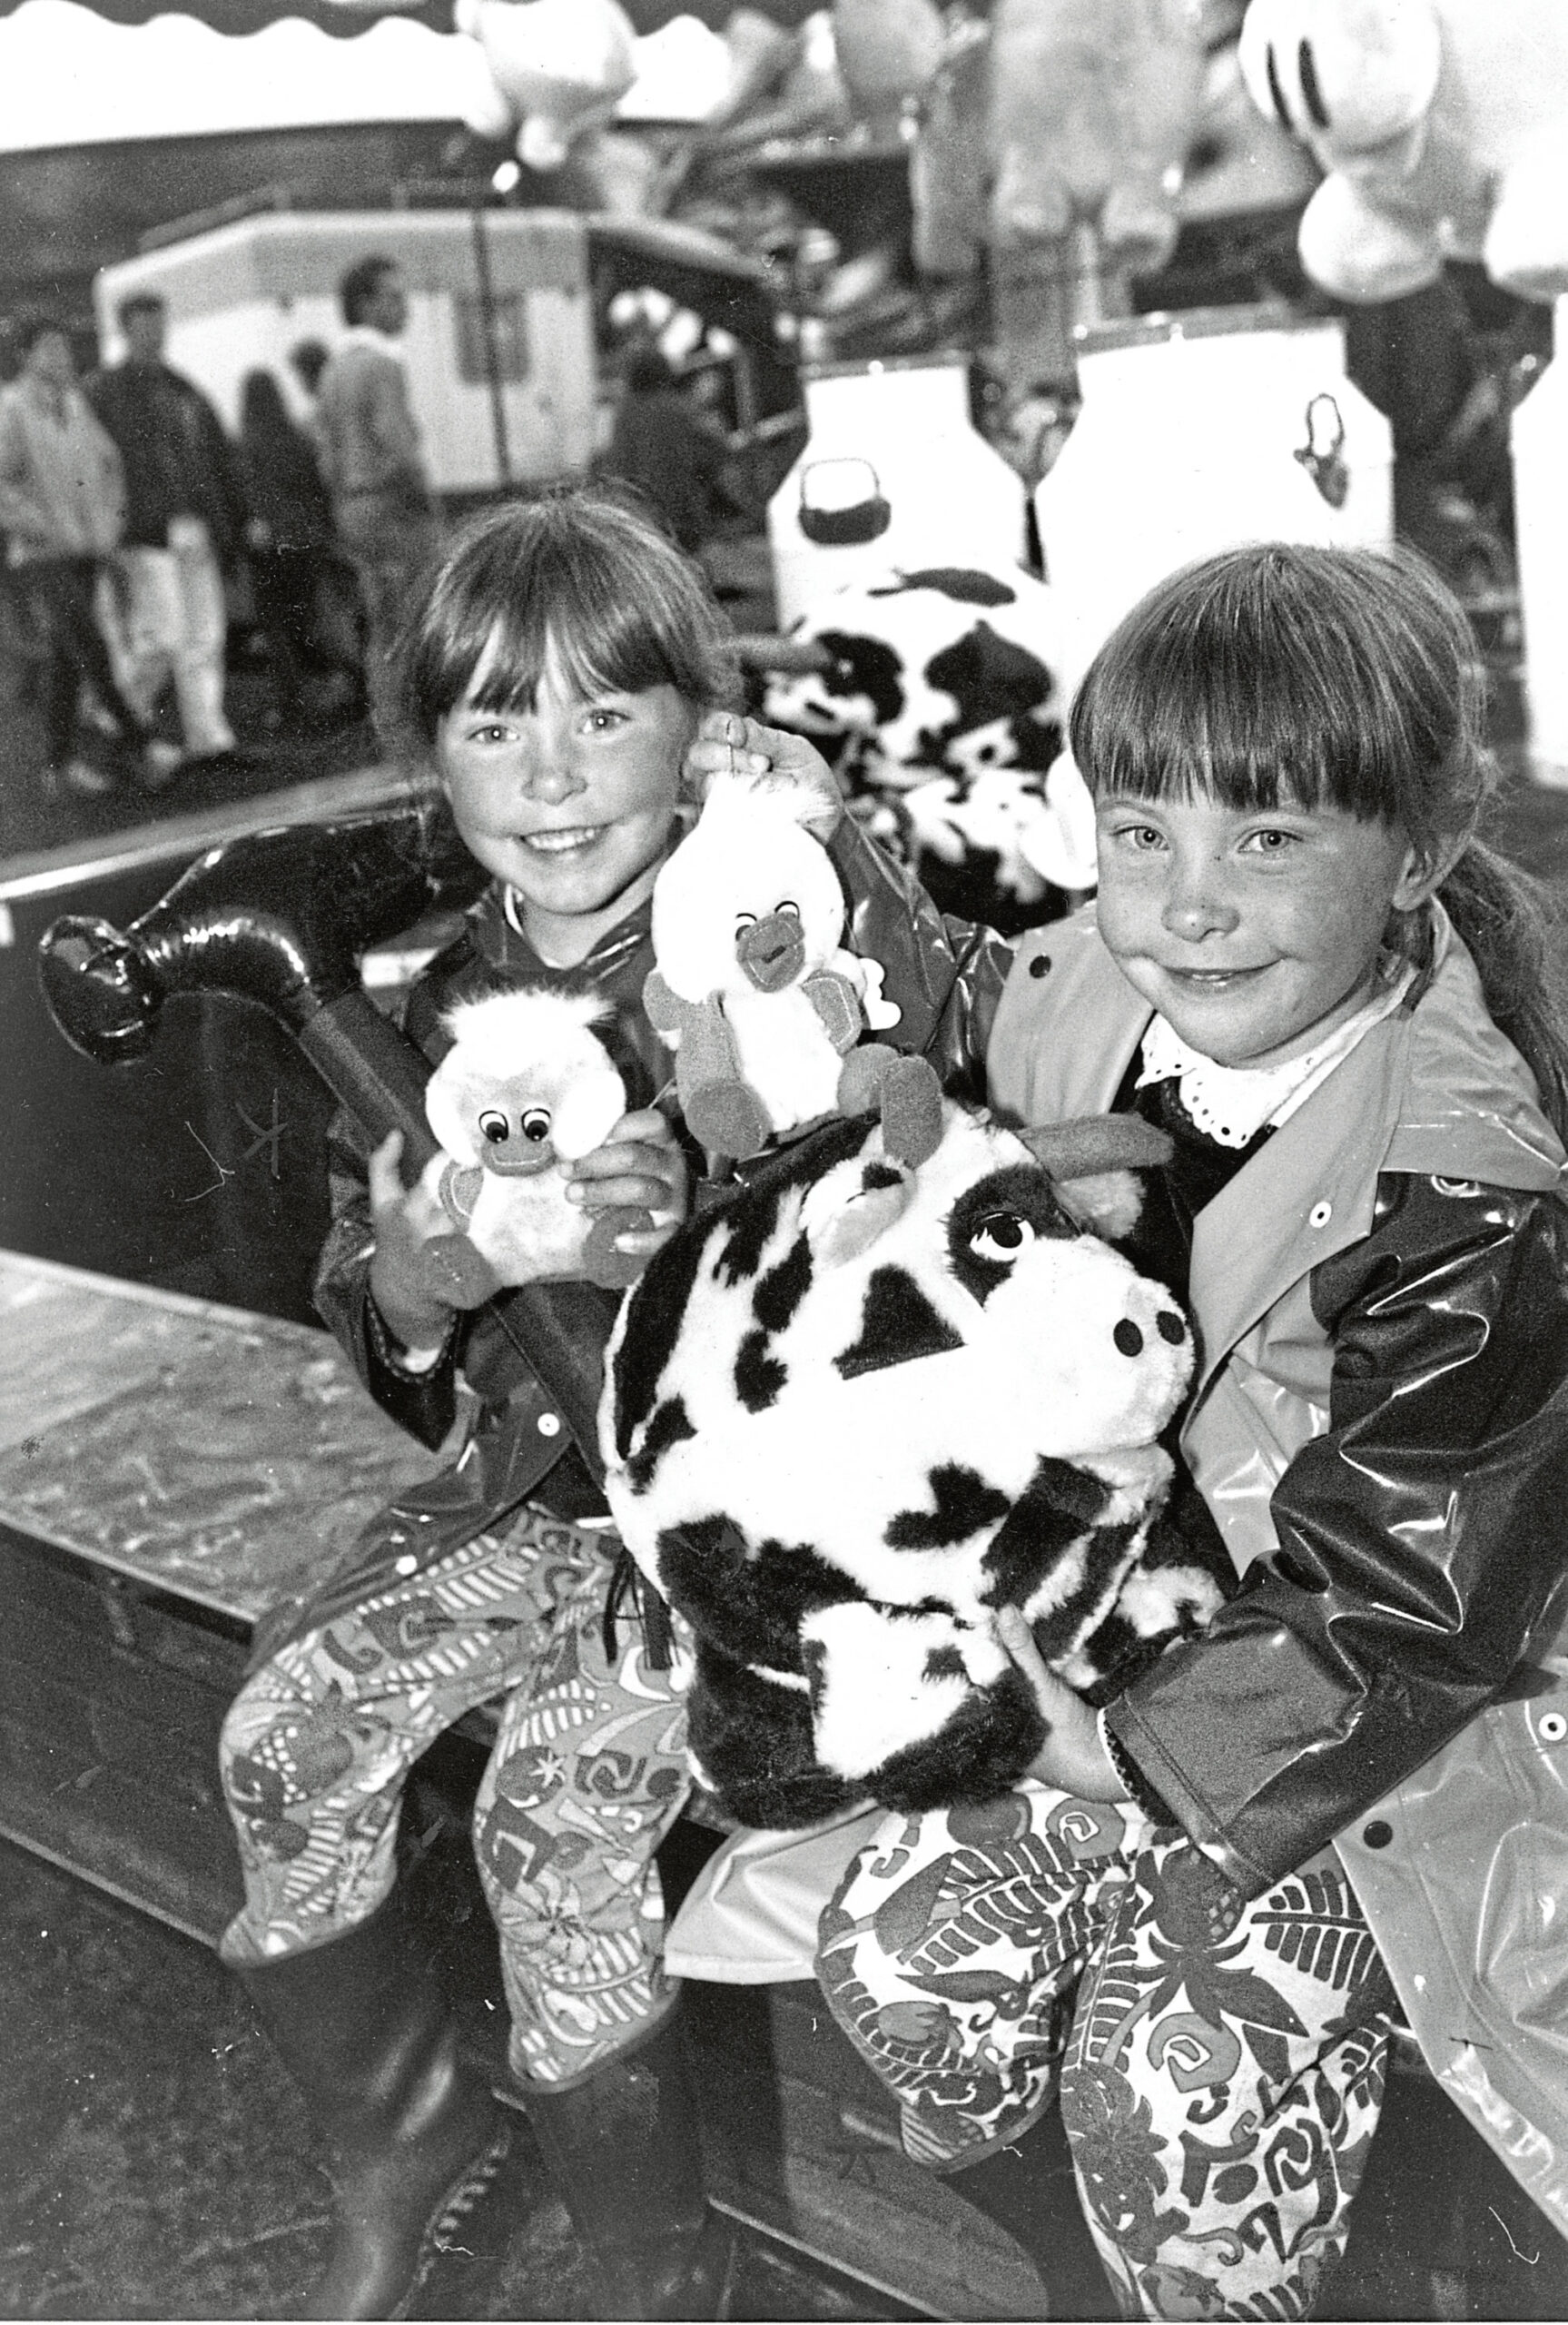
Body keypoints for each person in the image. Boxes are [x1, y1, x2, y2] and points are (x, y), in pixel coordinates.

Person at [213, 481, 1001, 2322]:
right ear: (436, 757)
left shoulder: (773, 941)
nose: (553, 775)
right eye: (497, 720)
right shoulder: (429, 1006)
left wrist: (800, 808)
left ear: (691, 731)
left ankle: (661, 2271)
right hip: (525, 1511)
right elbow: (380, 1305)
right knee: (280, 1733)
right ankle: (399, 2137)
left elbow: (923, 1090)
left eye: (606, 712)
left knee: (552, 1831)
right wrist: (431, 1284)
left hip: (735, 1540)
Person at [810, 542, 1568, 2319]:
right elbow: (935, 1026)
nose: (1187, 904)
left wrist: (1125, 1757)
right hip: (1117, 1653)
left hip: (1369, 1735)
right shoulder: (1085, 987)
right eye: (1139, 830)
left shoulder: (1465, 1177)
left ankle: (1226, 2274)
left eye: (1267, 837)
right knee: (895, 1968)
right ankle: (1109, 2285)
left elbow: (1405, 1589)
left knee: (1171, 2084)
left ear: (1419, 845)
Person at [0, 310, 183, 798]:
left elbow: (108, 464)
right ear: (26, 355)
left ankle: (58, 768)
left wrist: (110, 521)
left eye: (64, 348)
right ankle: (141, 744)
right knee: (91, 645)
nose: (63, 357)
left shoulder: (76, 403)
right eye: (51, 349)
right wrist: (37, 524)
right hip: (43, 556)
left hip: (86, 549)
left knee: (69, 655)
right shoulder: (12, 408)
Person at [85, 291, 248, 763]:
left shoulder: (180, 387)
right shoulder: (107, 391)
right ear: (126, 328)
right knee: (165, 636)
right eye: (145, 324)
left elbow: (216, 455)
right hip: (144, 530)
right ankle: (117, 717)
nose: (156, 332)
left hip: (192, 523)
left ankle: (208, 737)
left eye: (159, 322)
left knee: (203, 635)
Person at [313, 255, 440, 741]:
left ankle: (392, 728)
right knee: (422, 615)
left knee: (382, 623)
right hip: (392, 508)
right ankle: (424, 728)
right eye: (393, 296)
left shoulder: (333, 369)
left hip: (351, 508)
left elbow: (326, 453)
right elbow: (400, 447)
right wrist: (424, 501)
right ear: (364, 304)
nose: (403, 307)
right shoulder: (383, 364)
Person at [236, 369, 350, 730]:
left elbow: (246, 496)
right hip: (305, 542)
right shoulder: (297, 439)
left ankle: (291, 703)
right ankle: (347, 683)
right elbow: (318, 490)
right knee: (309, 619)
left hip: (269, 547)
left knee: (276, 628)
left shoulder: (245, 445)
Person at [603, 343, 728, 556]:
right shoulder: (680, 409)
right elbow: (718, 449)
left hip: (635, 513)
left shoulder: (624, 414)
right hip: (679, 514)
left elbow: (616, 463)